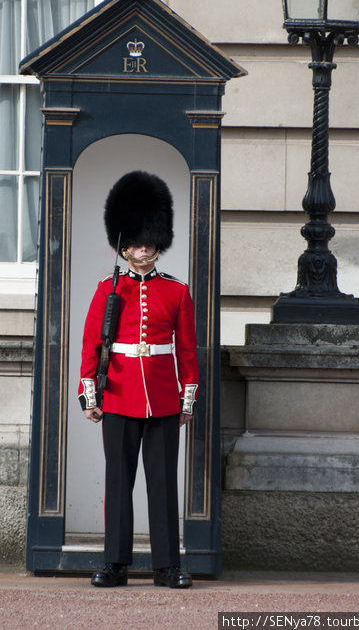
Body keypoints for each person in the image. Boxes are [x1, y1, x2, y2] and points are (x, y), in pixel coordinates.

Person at [78, 171, 199, 589]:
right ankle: (115, 564)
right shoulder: (107, 290)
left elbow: (186, 350)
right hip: (119, 394)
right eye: (135, 242)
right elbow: (91, 345)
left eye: (149, 242)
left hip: (163, 397)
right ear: (124, 245)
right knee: (119, 483)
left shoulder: (176, 292)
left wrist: (187, 399)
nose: (143, 249)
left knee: (163, 484)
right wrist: (89, 395)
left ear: (157, 243)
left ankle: (166, 566)